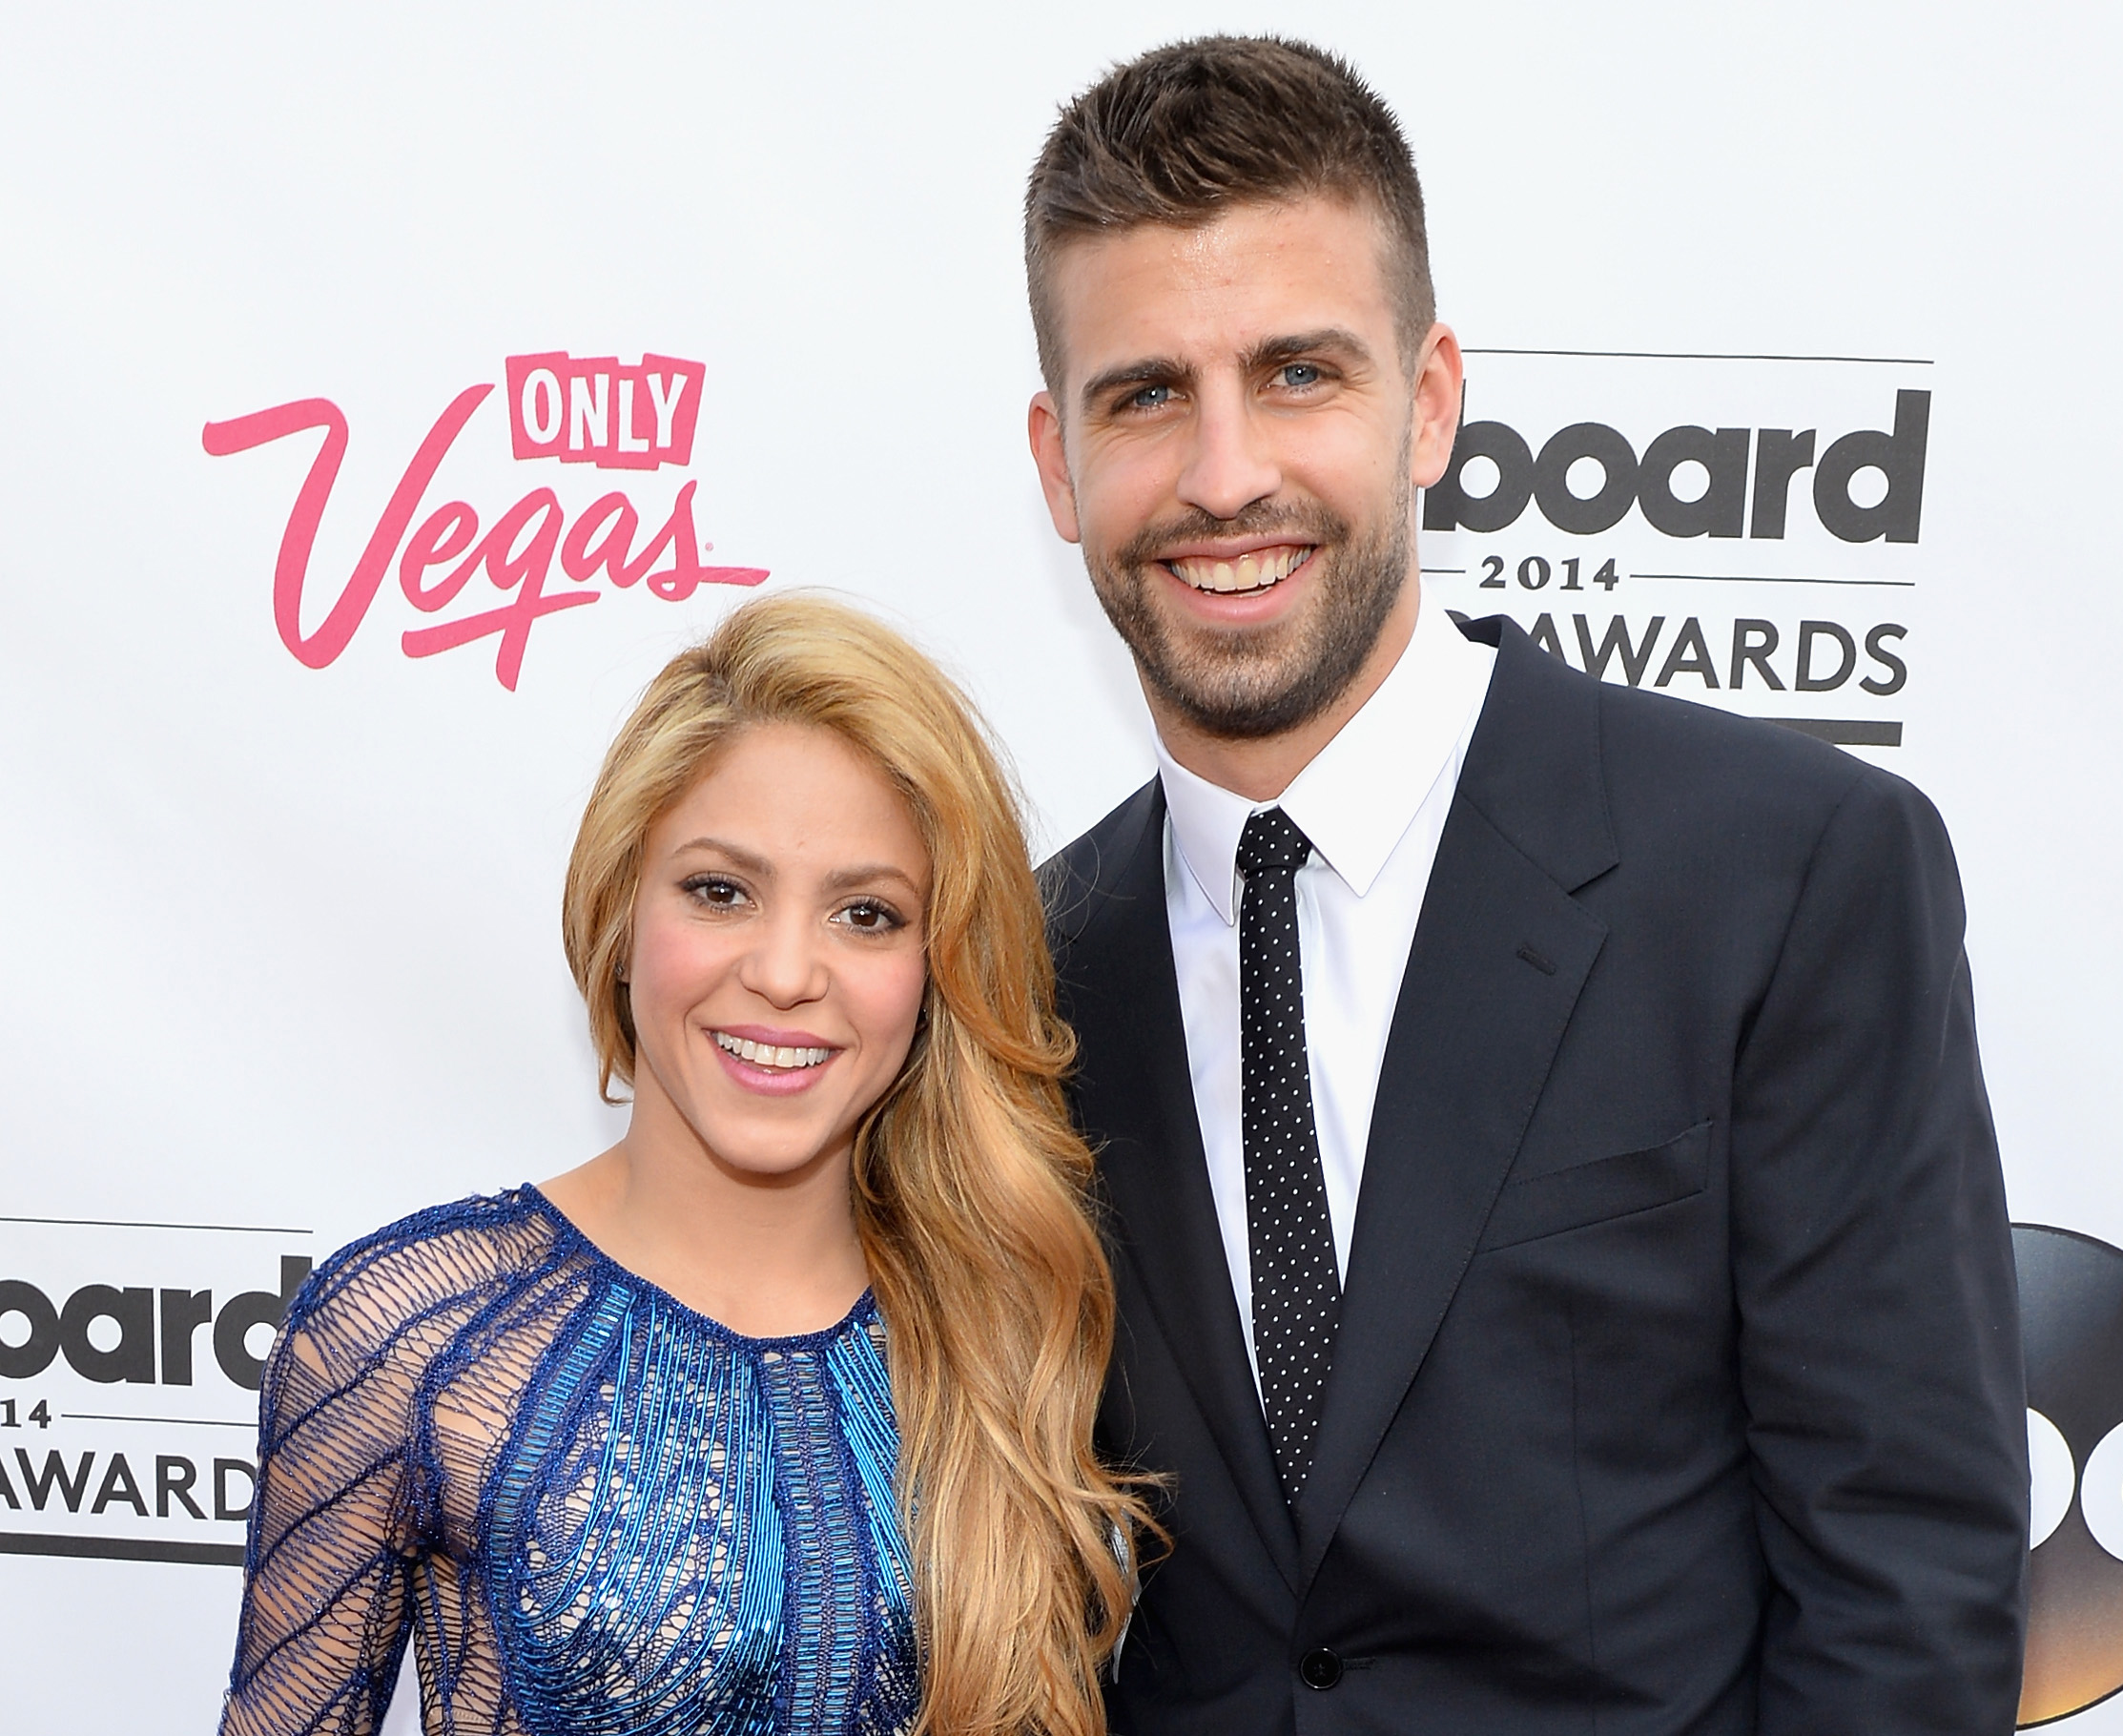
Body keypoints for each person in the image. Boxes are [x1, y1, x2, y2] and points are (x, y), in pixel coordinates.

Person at [1026, 35, 2028, 1734]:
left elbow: (1903, 1575)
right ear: (1057, 464)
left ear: (1426, 405)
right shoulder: (1031, 969)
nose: (1220, 476)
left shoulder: (1781, 870)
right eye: (1145, 396)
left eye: (1296, 374)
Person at [219, 593, 1150, 1736]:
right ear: (618, 909)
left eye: (866, 913)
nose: (784, 970)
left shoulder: (1012, 1337)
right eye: (721, 890)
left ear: (935, 970)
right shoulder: (406, 1333)